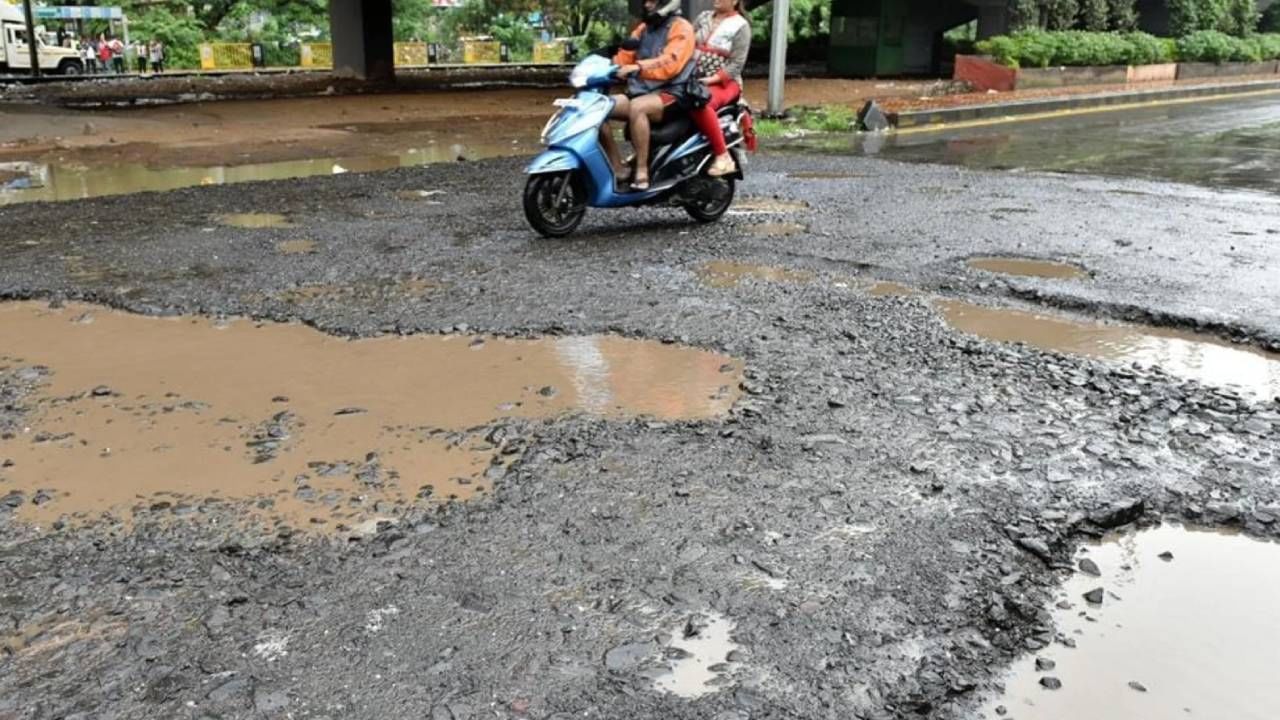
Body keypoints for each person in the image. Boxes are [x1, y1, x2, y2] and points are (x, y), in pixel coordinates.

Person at [600, 0, 695, 191]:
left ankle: (642, 171)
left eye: (652, 1)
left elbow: (670, 63)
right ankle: (618, 168)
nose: (647, 5)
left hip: (672, 92)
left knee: (638, 108)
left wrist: (638, 67)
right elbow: (624, 56)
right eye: (646, 1)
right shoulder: (644, 28)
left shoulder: (681, 27)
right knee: (598, 107)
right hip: (643, 90)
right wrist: (604, 65)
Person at [690, 0, 750, 176]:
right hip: (692, 79)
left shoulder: (741, 26)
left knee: (701, 102)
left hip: (725, 83)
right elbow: (686, 43)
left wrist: (711, 80)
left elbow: (736, 64)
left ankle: (723, 156)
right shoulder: (703, 18)